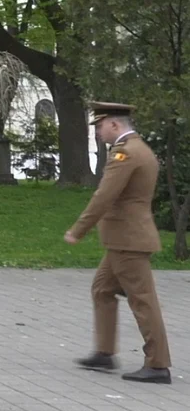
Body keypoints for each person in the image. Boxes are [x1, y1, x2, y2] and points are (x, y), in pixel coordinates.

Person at [66, 102, 172, 384]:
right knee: (102, 289)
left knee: (143, 301)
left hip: (129, 240)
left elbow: (104, 196)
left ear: (114, 125)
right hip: (124, 239)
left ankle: (158, 365)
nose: (98, 133)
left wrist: (78, 229)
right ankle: (104, 352)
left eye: (100, 127)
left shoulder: (126, 153)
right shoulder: (139, 149)